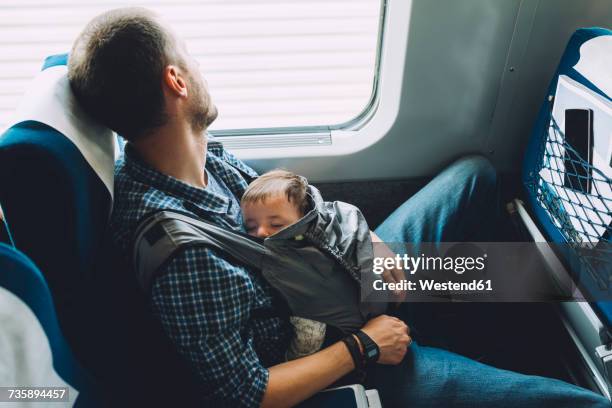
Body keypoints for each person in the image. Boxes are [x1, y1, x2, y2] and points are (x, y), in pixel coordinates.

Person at [67, 7, 610, 408]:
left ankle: (489, 323)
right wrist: (364, 346)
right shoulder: (180, 257)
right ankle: (440, 351)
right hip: (325, 350)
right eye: (189, 57)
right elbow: (249, 393)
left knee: (475, 178)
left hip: (330, 280)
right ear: (176, 80)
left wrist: (369, 249)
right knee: (583, 404)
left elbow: (302, 207)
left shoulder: (203, 158)